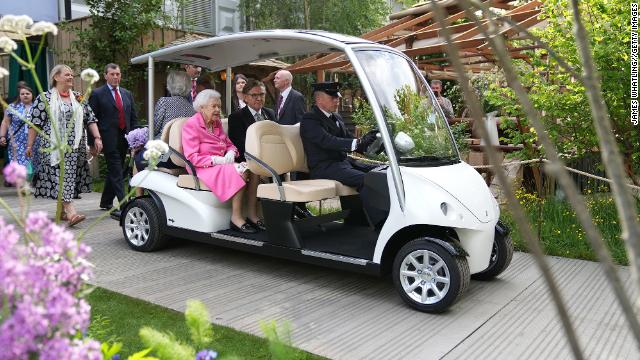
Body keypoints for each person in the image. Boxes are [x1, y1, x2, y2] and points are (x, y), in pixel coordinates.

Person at [27, 64, 103, 226]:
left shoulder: (78, 97)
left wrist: (97, 138)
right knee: (62, 176)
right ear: (56, 77)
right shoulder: (44, 98)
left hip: (74, 147)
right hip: (52, 147)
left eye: (72, 75)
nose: (71, 77)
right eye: (67, 74)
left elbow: (90, 118)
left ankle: (61, 211)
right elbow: (34, 124)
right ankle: (71, 213)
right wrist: (29, 145)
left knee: (68, 176)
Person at [182, 89, 259, 234]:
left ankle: (252, 213)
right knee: (241, 172)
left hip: (221, 164)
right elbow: (192, 156)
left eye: (219, 106)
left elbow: (229, 144)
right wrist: (216, 160)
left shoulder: (216, 123)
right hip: (203, 167)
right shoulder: (191, 125)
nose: (218, 110)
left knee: (254, 169)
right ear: (202, 108)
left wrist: (231, 152)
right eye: (214, 106)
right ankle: (236, 218)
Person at [300, 82, 378, 190]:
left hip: (344, 164)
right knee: (370, 180)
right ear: (319, 99)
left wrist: (370, 141)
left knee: (383, 172)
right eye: (332, 97)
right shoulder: (310, 118)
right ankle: (368, 207)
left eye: (337, 97)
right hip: (324, 168)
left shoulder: (336, 117)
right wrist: (358, 142)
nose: (337, 100)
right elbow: (327, 141)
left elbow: (348, 138)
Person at [89, 63, 138, 212]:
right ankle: (125, 205)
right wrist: (92, 142)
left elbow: (133, 118)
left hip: (125, 139)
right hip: (107, 140)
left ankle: (105, 201)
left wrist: (136, 139)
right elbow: (91, 119)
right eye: (112, 74)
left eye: (118, 74)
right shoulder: (97, 94)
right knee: (116, 171)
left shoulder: (127, 93)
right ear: (105, 76)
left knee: (115, 171)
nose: (116, 77)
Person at [227, 79, 275, 231]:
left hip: (271, 158)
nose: (259, 98)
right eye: (254, 95)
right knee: (254, 170)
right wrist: (260, 156)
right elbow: (240, 145)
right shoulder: (236, 117)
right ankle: (252, 215)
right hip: (248, 159)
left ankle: (284, 214)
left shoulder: (270, 113)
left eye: (262, 94)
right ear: (245, 97)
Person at [1, 83, 39, 173]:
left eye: (27, 93)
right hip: (17, 141)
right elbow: (5, 122)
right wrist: (2, 136)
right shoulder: (12, 107)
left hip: (35, 141)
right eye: (22, 94)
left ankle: (32, 181)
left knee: (34, 163)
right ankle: (21, 183)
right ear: (19, 96)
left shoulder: (37, 107)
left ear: (32, 95)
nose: (25, 95)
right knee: (19, 164)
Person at [152, 70, 196, 139]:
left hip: (162, 146)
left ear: (170, 85)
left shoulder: (164, 102)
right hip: (183, 147)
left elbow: (154, 130)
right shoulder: (192, 109)